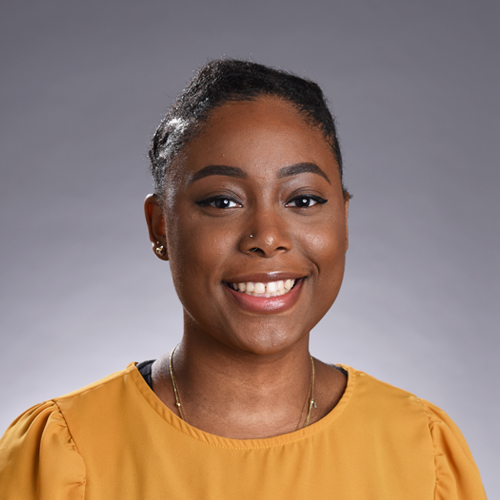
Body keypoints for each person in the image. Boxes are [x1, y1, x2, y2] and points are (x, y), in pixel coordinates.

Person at [0, 59, 487, 499]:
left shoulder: (422, 451)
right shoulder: (66, 453)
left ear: (343, 219)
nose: (267, 238)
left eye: (303, 200)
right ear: (160, 226)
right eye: (223, 201)